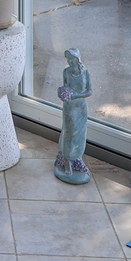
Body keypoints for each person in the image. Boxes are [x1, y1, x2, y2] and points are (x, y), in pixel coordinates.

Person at [54, 48, 93, 184]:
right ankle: (67, 160)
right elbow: (65, 88)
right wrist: (64, 94)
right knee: (69, 133)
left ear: (77, 59)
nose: (69, 62)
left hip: (80, 107)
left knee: (79, 134)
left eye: (71, 59)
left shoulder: (85, 73)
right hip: (69, 107)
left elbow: (89, 91)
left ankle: (76, 158)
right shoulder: (66, 72)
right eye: (67, 59)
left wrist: (76, 95)